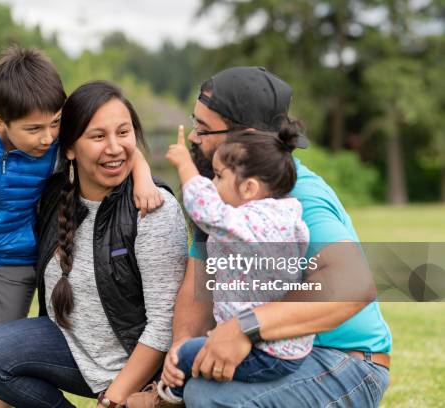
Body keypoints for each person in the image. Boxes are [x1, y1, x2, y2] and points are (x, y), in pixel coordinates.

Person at [0, 48, 164, 408]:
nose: (47, 137)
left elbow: (118, 145)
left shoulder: (56, 147)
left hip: (14, 257)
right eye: (34, 129)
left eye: (55, 123)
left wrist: (144, 180)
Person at [129, 66, 392, 408]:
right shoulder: (222, 195)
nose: (194, 138)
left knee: (207, 397)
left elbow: (354, 284)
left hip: (346, 364)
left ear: (245, 137)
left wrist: (246, 328)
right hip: (274, 355)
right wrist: (179, 356)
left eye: (204, 129)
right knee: (194, 388)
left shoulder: (298, 195)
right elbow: (200, 290)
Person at [0, 80, 188, 408]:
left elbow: (163, 323)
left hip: (137, 366)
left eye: (123, 133)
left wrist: (113, 399)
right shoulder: (52, 195)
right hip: (72, 350)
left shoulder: (151, 208)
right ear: (69, 147)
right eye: (98, 136)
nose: (114, 147)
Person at [145, 123, 313, 406]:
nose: (212, 185)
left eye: (219, 176)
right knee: (195, 355)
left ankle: (168, 397)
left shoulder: (259, 222)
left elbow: (207, 211)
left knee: (183, 356)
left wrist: (186, 166)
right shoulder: (280, 215)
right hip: (279, 346)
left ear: (249, 188)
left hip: (268, 352)